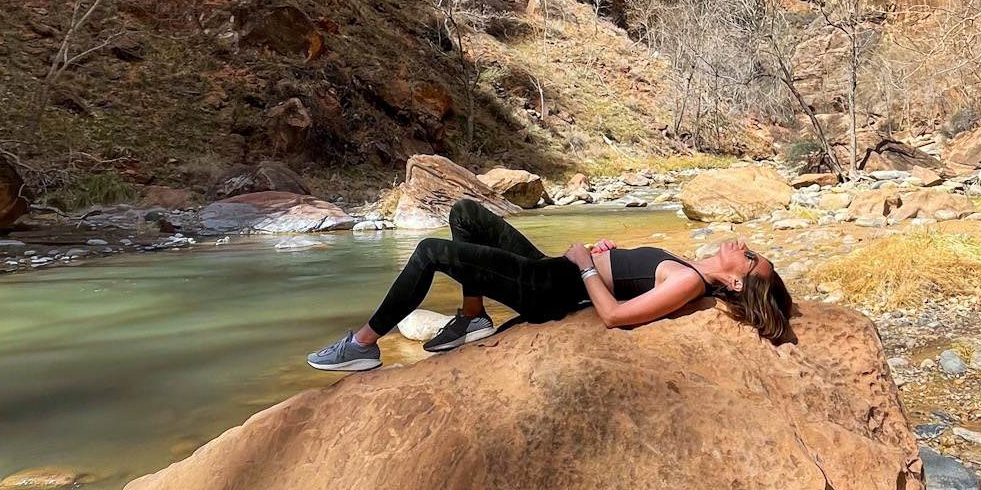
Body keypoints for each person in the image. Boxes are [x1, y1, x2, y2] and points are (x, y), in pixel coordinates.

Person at [307, 197, 793, 371]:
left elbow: (616, 316)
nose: (742, 246)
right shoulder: (691, 265)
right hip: (553, 271)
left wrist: (585, 265)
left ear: (734, 282)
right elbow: (633, 277)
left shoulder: (690, 283)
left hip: (547, 289)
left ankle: (363, 345)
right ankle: (473, 317)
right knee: (464, 212)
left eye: (749, 259)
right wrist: (610, 255)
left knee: (432, 252)